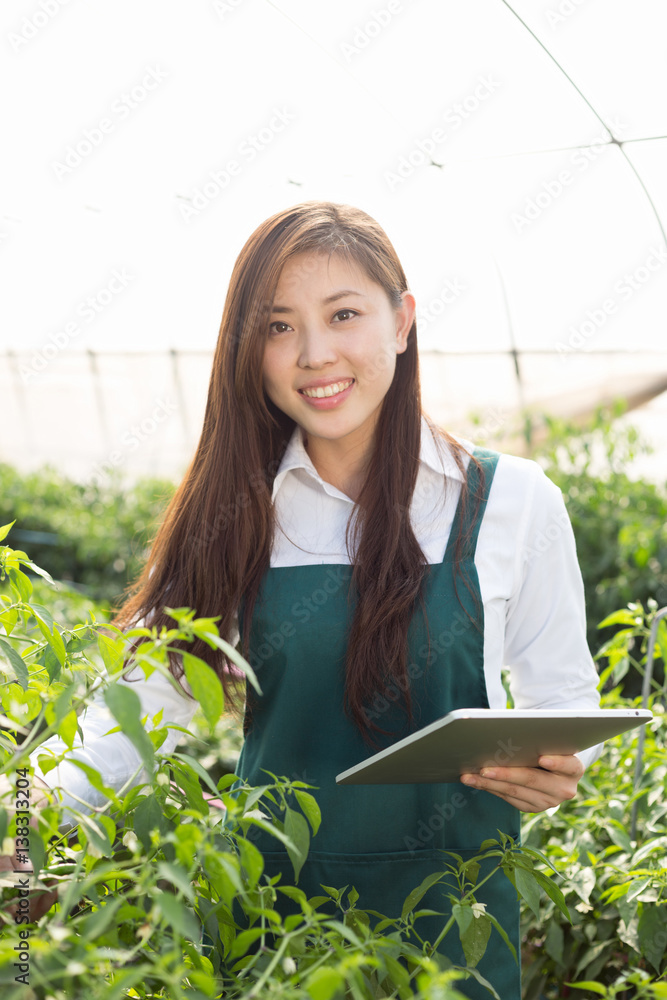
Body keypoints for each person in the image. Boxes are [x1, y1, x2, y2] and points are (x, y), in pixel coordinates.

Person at [19, 201, 601, 998]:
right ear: (248, 352)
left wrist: (557, 768)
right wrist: (28, 806)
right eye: (279, 327)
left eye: (343, 315)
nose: (314, 354)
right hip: (273, 934)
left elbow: (564, 699)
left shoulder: (510, 502)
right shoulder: (235, 511)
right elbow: (136, 712)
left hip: (456, 932)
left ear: (402, 322)